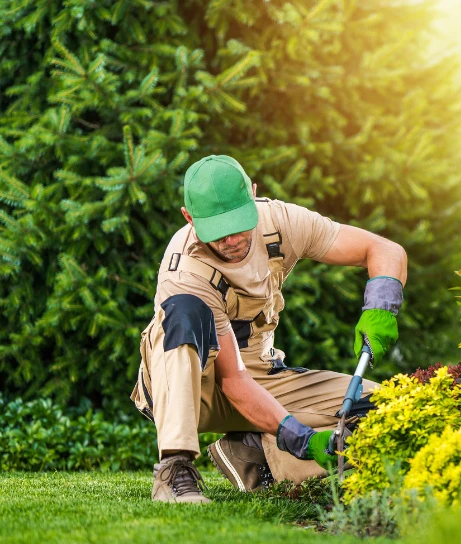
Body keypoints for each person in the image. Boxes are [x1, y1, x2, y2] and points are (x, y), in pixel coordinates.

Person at [130, 154, 407, 503]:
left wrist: (381, 307)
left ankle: (254, 454)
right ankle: (175, 469)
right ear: (189, 218)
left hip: (259, 374)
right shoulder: (185, 270)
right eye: (218, 229)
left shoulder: (281, 222)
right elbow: (232, 381)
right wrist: (300, 436)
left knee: (386, 407)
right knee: (183, 313)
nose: (232, 239)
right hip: (191, 388)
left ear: (254, 194)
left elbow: (382, 249)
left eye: (238, 222)